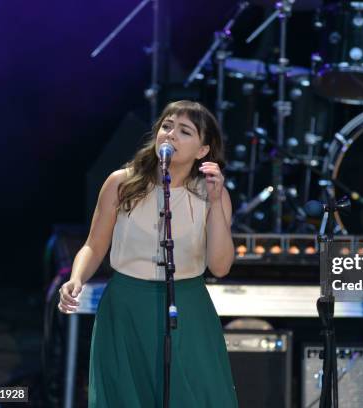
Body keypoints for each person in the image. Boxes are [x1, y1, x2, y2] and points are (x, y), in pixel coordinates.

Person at [58, 100, 238, 407]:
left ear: (203, 150)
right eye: (166, 126)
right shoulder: (121, 183)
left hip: (187, 304)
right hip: (126, 304)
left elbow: (220, 267)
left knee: (192, 394)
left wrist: (217, 201)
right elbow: (94, 245)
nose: (170, 135)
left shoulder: (210, 193)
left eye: (184, 131)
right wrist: (76, 279)